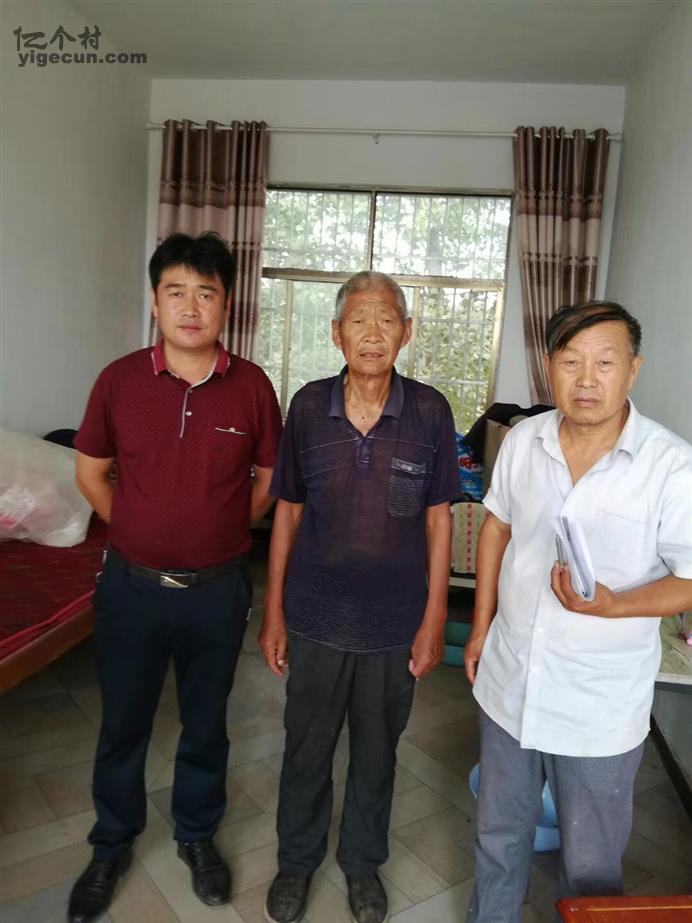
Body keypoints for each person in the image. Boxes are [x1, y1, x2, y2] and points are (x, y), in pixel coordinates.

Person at [68, 232, 282, 923]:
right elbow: (90, 474)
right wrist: (137, 527)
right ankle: (110, 844)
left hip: (217, 590)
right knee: (122, 724)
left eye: (206, 293)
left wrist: (215, 532)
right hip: (130, 588)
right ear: (155, 301)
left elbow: (268, 481)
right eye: (176, 292)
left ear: (227, 305)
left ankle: (197, 835)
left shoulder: (252, 386)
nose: (191, 307)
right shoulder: (119, 381)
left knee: (206, 723)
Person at [463, 302, 692, 922]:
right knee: (498, 837)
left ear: (633, 370)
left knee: (591, 864)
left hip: (598, 706)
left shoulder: (671, 466)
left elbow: (690, 580)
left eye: (605, 363)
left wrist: (618, 605)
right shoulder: (524, 440)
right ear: (549, 367)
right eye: (571, 362)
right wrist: (480, 627)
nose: (587, 379)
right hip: (510, 681)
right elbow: (496, 527)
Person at [258, 271, 461, 923]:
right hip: (314, 617)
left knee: (377, 754)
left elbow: (438, 519)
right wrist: (273, 611)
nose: (372, 334)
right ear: (336, 332)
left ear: (407, 331)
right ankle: (296, 862)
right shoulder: (307, 406)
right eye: (358, 320)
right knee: (306, 747)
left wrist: (434, 619)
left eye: (386, 320)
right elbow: (288, 511)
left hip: (394, 624)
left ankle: (363, 864)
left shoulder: (429, 411)